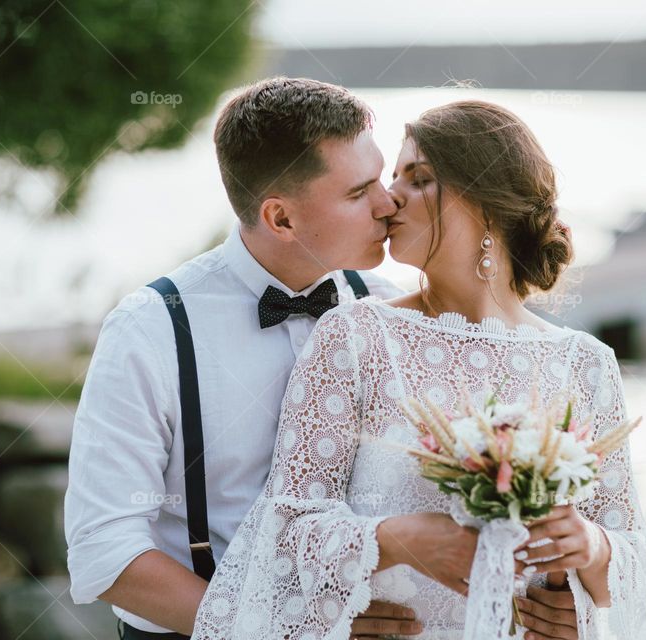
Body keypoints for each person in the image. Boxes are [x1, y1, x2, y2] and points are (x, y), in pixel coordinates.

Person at [191, 100, 646, 639]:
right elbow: (285, 528)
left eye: (418, 179)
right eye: (393, 176)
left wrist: (592, 559)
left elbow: (631, 556)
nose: (390, 196)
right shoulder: (356, 336)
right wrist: (392, 539)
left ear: (487, 203)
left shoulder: (585, 364)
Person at [64, 77, 426, 639]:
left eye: (380, 179)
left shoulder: (389, 309)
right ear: (281, 219)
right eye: (358, 193)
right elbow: (103, 551)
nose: (388, 203)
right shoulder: (150, 329)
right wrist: (287, 628)